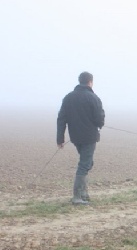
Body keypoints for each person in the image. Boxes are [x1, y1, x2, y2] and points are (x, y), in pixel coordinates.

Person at [57, 72, 105, 205]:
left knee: (87, 162)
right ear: (90, 82)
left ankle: (83, 193)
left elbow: (61, 119)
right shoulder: (93, 98)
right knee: (84, 165)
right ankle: (77, 197)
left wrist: (60, 138)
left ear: (80, 81)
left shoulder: (68, 98)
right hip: (89, 137)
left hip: (75, 137)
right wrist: (99, 125)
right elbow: (100, 118)